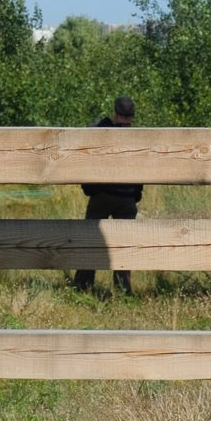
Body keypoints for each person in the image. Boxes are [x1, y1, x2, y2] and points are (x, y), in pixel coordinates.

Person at [73, 96, 141, 295]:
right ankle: (123, 289)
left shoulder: (102, 132)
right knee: (123, 245)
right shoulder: (138, 137)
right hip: (127, 197)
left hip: (102, 195)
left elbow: (85, 146)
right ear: (133, 116)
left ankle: (82, 286)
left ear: (115, 113)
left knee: (90, 241)